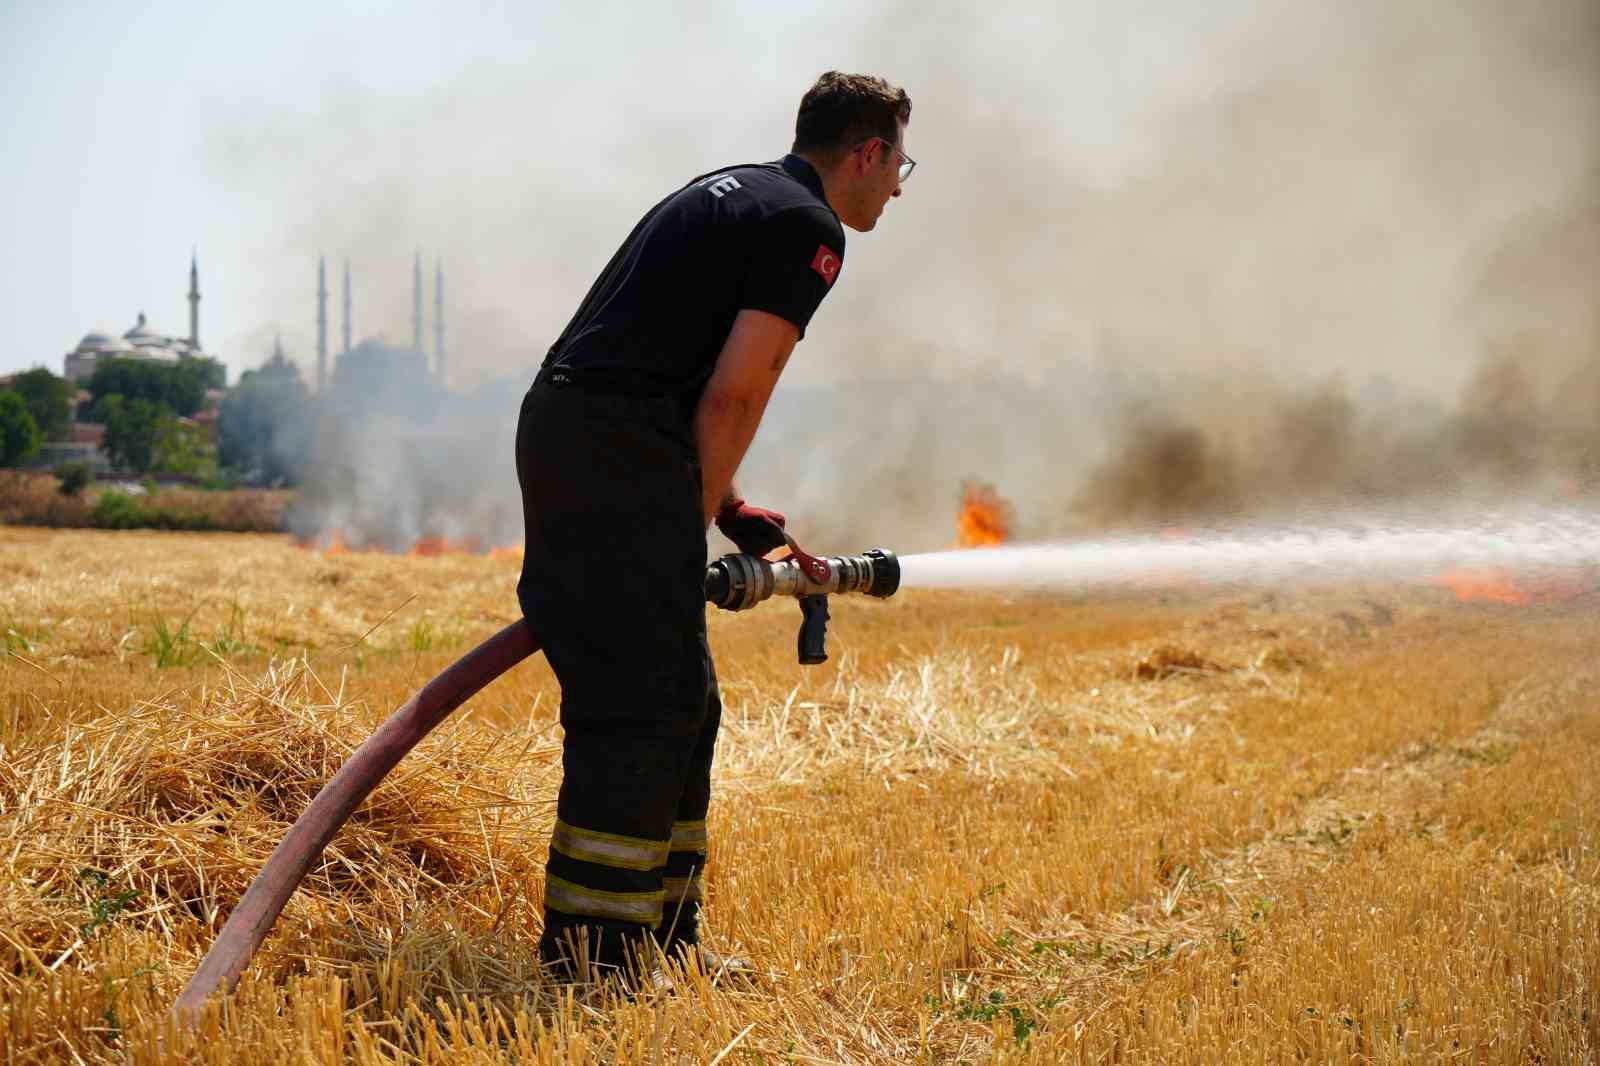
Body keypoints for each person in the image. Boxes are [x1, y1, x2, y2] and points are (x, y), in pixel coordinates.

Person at [516, 71, 913, 979]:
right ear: (868, 153)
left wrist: (726, 507)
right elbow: (738, 389)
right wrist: (683, 522)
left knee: (684, 703)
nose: (896, 188)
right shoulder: (806, 229)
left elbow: (655, 362)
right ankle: (594, 963)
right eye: (899, 166)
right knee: (642, 708)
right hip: (618, 455)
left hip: (586, 437)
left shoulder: (734, 192)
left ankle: (664, 943)